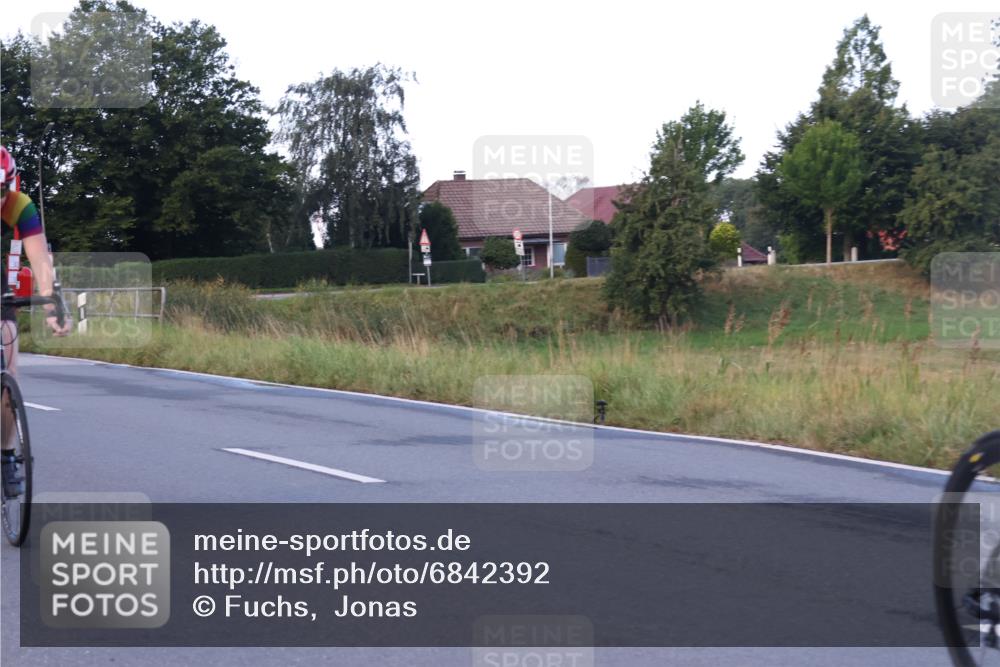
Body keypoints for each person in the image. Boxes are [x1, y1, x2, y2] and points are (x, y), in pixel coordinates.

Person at [1, 145, 69, 496]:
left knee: (9, 365)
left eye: (0, 192)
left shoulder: (18, 204)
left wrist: (51, 306)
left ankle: (7, 455)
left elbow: (40, 257)